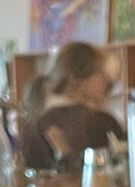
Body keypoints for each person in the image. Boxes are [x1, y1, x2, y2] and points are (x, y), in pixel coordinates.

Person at [19, 42, 123, 174]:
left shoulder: (31, 125)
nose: (107, 84)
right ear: (83, 79)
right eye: (103, 75)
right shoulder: (101, 122)